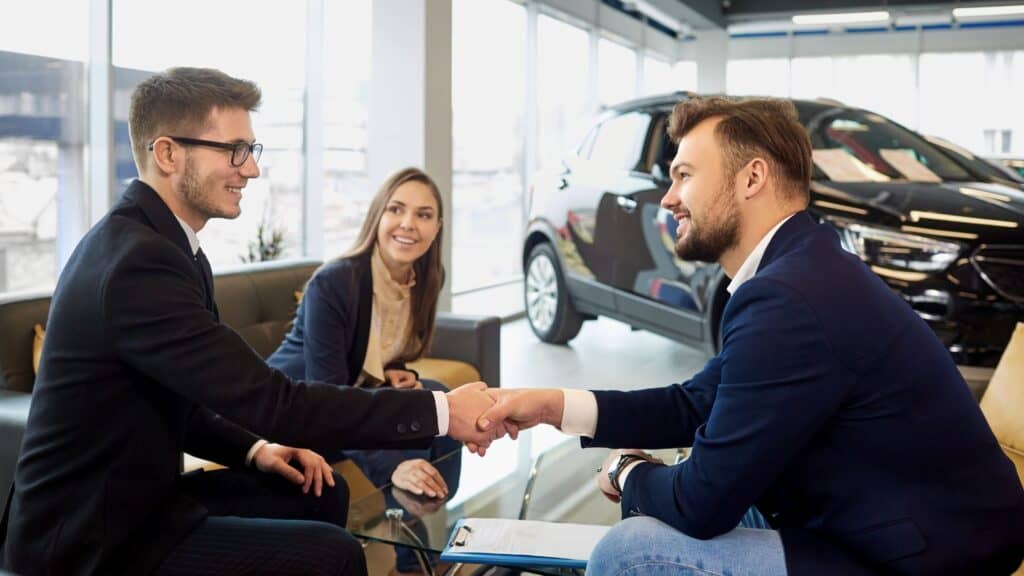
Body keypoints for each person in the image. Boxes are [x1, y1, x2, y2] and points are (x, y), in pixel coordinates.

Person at [478, 96, 1024, 575]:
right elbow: (698, 400)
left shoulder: (789, 296)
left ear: (752, 178)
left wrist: (627, 472)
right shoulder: (802, 265)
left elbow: (701, 503)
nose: (668, 198)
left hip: (921, 555)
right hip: (893, 518)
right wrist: (555, 406)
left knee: (630, 553)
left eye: (685, 175)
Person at [0, 67, 500, 576]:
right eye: (235, 150)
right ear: (169, 154)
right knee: (336, 554)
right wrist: (441, 412)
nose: (251, 170)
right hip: (90, 540)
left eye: (251, 151)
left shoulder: (174, 249)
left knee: (321, 488)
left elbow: (183, 406)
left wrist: (258, 450)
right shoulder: (137, 264)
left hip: (142, 502)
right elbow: (276, 401)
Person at [268, 167, 461, 575]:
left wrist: (394, 371)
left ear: (437, 226)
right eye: (397, 209)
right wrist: (393, 466)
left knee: (438, 393)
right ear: (378, 215)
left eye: (424, 215)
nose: (409, 224)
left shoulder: (425, 278)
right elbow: (326, 394)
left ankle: (426, 515)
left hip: (349, 394)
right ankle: (414, 556)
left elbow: (382, 345)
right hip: (298, 407)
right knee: (404, 426)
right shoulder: (335, 282)